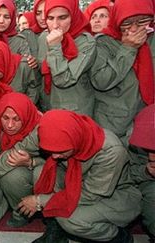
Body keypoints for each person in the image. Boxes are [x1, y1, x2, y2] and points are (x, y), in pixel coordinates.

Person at [20, 110, 141, 243]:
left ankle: (118, 237)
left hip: (114, 194)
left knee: (69, 219)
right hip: (78, 182)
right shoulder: (57, 131)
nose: (54, 156)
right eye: (51, 151)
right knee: (41, 173)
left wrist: (39, 201)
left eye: (60, 151)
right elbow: (29, 152)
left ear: (75, 140)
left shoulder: (111, 152)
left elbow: (90, 194)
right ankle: (56, 232)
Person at [90, 0, 154, 145]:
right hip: (114, 125)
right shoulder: (103, 42)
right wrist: (128, 49)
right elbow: (101, 80)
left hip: (147, 122)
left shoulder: (152, 39)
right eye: (127, 23)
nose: (134, 28)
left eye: (142, 21)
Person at [0, 92, 42, 228]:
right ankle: (6, 203)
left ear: (25, 116)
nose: (10, 125)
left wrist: (32, 162)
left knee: (12, 176)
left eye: (16, 119)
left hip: (25, 172)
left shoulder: (39, 127)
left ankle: (22, 212)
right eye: (5, 118)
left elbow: (58, 162)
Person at [0, 39, 39, 152]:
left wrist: (22, 113)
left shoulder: (24, 67)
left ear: (3, 62)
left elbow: (34, 90)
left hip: (25, 127)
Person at [38, 0, 96, 116]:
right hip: (48, 107)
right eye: (50, 18)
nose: (55, 25)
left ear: (73, 16)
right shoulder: (44, 37)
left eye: (62, 17)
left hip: (75, 112)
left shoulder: (86, 41)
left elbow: (63, 79)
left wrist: (54, 47)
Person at [129, 104, 155, 240]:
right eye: (148, 150)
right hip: (150, 182)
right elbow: (128, 173)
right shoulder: (137, 138)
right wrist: (145, 171)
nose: (151, 157)